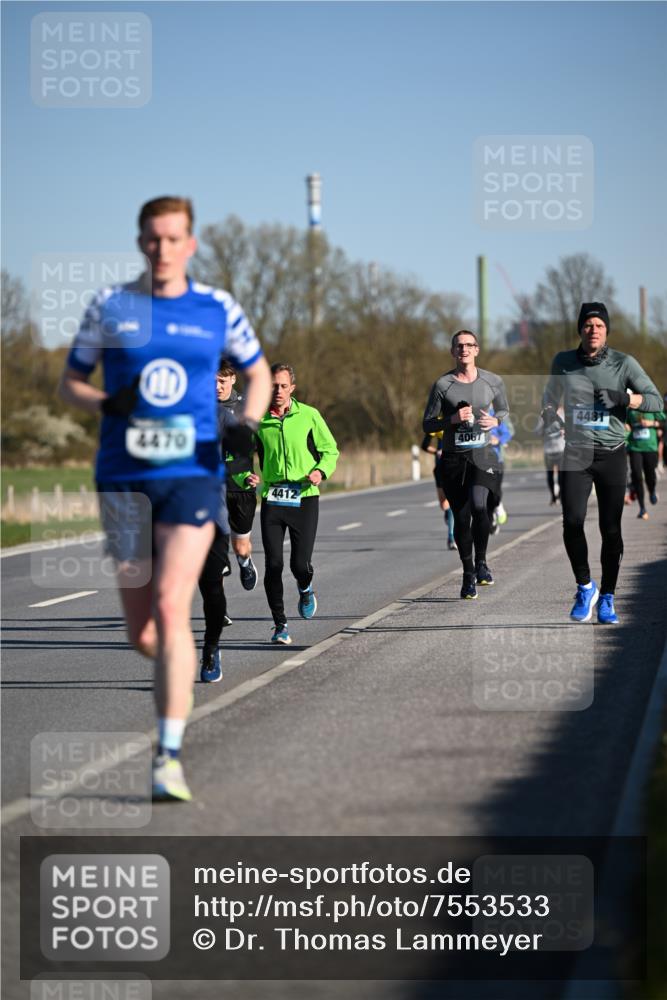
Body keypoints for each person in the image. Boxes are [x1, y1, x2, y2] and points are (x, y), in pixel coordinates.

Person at [59, 196, 271, 800]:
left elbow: (255, 372)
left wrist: (246, 423)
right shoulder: (111, 307)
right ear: (140, 242)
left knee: (175, 606)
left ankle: (167, 756)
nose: (163, 249)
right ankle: (162, 667)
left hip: (192, 473)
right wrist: (104, 403)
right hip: (125, 478)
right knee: (144, 632)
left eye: (173, 238)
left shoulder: (216, 309)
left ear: (191, 243)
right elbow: (69, 382)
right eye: (153, 239)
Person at [542, 301, 662, 624]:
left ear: (606, 330)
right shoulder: (563, 362)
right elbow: (549, 398)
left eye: (598, 325)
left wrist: (624, 398)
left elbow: (656, 400)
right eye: (587, 324)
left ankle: (607, 596)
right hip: (576, 453)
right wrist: (550, 414)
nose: (592, 330)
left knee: (610, 530)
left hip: (612, 454)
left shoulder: (624, 364)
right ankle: (585, 587)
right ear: (579, 329)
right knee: (571, 522)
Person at [249, 363, 339, 645]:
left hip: (305, 497)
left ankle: (305, 586)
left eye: (283, 386)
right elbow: (241, 454)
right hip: (273, 498)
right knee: (273, 565)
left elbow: (330, 450)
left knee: (300, 564)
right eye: (273, 386)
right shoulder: (258, 420)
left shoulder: (309, 415)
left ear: (292, 388)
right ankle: (280, 625)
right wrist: (244, 475)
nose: (277, 391)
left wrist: (320, 471)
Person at [422, 330, 510, 599]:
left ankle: (482, 563)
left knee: (480, 505)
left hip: (482, 454)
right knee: (461, 517)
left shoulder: (493, 381)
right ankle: (468, 572)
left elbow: (504, 411)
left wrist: (496, 422)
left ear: (477, 350)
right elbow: (427, 423)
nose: (464, 349)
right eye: (459, 346)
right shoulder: (442, 385)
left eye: (469, 345)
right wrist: (452, 420)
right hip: (453, 459)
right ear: (452, 351)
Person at [198, 361, 260, 683]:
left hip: (219, 508)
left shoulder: (225, 416)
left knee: (213, 582)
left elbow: (247, 447)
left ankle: (211, 648)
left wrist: (247, 472)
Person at [625, 404, 665, 520]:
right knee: (637, 475)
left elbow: (663, 422)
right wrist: (627, 426)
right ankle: (642, 508)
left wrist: (652, 424)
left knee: (650, 476)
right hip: (634, 447)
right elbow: (626, 422)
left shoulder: (651, 406)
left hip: (650, 447)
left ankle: (652, 491)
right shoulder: (630, 409)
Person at [421, 430, 456, 550]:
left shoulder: (460, 419)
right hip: (441, 466)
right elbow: (425, 445)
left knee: (452, 502)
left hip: (455, 464)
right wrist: (437, 452)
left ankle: (451, 538)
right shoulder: (437, 422)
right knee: (444, 505)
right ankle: (448, 514)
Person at [488, 410, 513, 533]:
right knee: (484, 491)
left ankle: (497, 505)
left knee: (495, 491)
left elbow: (507, 433)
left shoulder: (495, 415)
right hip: (479, 461)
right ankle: (491, 517)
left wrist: (497, 440)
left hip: (496, 460)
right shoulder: (472, 413)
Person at [539, 406, 565, 505]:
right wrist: (543, 423)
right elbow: (537, 432)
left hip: (560, 450)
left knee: (561, 474)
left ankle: (560, 495)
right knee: (549, 475)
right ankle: (553, 496)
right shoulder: (542, 417)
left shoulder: (562, 416)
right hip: (548, 451)